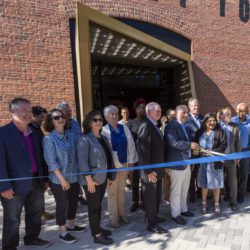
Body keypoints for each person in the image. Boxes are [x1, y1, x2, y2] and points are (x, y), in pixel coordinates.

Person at [0, 97, 50, 250]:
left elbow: (41, 157)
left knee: (35, 213)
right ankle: (9, 246)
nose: (28, 114)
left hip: (36, 181)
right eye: (24, 111)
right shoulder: (3, 133)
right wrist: (3, 186)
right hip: (13, 185)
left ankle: (32, 238)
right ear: (12, 112)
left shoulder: (35, 132)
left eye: (30, 110)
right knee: (12, 218)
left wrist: (45, 178)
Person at [43, 108, 86, 244]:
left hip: (73, 176)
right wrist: (62, 179)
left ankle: (71, 224)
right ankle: (62, 231)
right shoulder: (49, 138)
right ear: (51, 121)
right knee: (62, 205)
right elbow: (51, 161)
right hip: (58, 179)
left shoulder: (71, 134)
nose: (60, 119)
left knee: (74, 202)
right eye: (56, 117)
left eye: (62, 116)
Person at [77, 110, 115, 245]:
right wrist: (88, 180)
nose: (99, 122)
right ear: (89, 122)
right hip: (91, 180)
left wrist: (111, 176)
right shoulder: (85, 138)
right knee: (93, 207)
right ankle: (97, 235)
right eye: (95, 120)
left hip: (103, 178)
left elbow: (109, 158)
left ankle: (98, 228)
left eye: (100, 120)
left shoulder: (103, 137)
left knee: (98, 206)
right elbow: (82, 161)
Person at [102, 105, 137, 228]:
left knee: (121, 191)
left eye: (116, 113)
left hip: (124, 164)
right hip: (112, 166)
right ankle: (113, 218)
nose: (115, 116)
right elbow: (106, 151)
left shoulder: (124, 128)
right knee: (112, 193)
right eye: (112, 114)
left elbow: (131, 144)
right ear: (106, 117)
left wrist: (131, 162)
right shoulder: (104, 130)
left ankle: (122, 214)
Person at [165, 105, 199, 225]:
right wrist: (190, 145)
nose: (186, 115)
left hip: (186, 162)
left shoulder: (184, 126)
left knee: (185, 189)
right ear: (177, 113)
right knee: (176, 190)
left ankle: (183, 209)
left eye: (187, 113)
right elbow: (173, 142)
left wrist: (192, 151)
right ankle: (175, 214)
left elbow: (186, 144)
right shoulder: (171, 125)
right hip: (176, 164)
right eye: (183, 112)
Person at [137, 102, 168, 234]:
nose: (160, 113)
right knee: (150, 198)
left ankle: (152, 217)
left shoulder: (154, 125)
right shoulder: (145, 126)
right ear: (149, 112)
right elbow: (143, 151)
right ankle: (151, 224)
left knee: (156, 197)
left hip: (158, 170)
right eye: (157, 111)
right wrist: (148, 171)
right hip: (150, 172)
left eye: (160, 111)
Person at [194, 113, 227, 214]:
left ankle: (216, 203)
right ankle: (204, 203)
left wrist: (211, 151)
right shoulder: (199, 132)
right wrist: (196, 151)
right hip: (203, 164)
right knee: (204, 184)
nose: (212, 123)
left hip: (215, 163)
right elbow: (196, 146)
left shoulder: (220, 132)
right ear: (205, 122)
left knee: (216, 184)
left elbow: (223, 145)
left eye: (214, 121)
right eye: (210, 121)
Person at [57, 101, 87, 205]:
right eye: (66, 111)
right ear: (61, 112)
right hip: (67, 156)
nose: (69, 113)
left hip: (78, 153)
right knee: (69, 177)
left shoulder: (75, 122)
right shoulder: (60, 124)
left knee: (79, 175)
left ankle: (80, 195)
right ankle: (70, 198)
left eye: (70, 110)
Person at [31, 106, 55, 221]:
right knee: (37, 194)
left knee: (41, 192)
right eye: (41, 118)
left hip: (41, 166)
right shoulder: (31, 129)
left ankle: (41, 211)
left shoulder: (37, 128)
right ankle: (38, 214)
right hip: (35, 168)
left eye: (44, 118)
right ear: (33, 116)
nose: (43, 120)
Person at [127, 99, 146, 212]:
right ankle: (135, 201)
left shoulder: (147, 122)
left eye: (144, 108)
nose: (143, 110)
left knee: (144, 180)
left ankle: (143, 201)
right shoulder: (131, 124)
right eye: (141, 108)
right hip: (134, 157)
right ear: (136, 109)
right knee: (135, 180)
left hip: (145, 157)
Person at [220, 107, 241, 211]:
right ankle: (218, 201)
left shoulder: (235, 127)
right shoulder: (217, 126)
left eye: (229, 114)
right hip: (219, 158)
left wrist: (238, 157)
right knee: (219, 180)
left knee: (233, 180)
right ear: (221, 115)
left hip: (231, 158)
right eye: (226, 114)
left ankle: (233, 202)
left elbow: (238, 143)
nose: (228, 116)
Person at [185, 98, 204, 202]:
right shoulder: (186, 119)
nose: (196, 107)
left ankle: (200, 192)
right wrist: (192, 149)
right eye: (194, 106)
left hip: (203, 151)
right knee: (192, 175)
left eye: (197, 105)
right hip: (191, 152)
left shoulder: (203, 118)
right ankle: (192, 195)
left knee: (200, 172)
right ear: (189, 106)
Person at [231, 103, 250, 203]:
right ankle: (236, 194)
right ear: (237, 111)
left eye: (245, 111)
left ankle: (243, 193)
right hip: (236, 151)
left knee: (244, 174)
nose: (242, 113)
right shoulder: (233, 121)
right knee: (237, 174)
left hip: (247, 150)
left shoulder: (249, 120)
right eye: (240, 111)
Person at [160, 108, 176, 204]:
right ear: (167, 116)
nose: (173, 117)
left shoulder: (177, 126)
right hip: (166, 156)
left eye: (175, 115)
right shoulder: (164, 127)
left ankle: (172, 196)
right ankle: (166, 196)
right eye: (171, 115)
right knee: (166, 178)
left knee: (173, 179)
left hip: (175, 157)